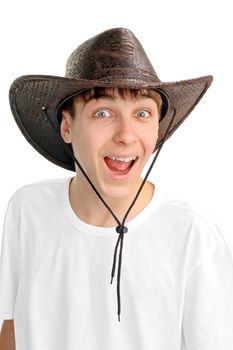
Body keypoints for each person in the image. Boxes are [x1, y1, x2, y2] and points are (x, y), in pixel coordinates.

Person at [0, 27, 233, 350]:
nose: (126, 135)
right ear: (67, 126)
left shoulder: (192, 233)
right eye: (103, 113)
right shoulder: (27, 209)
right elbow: (11, 326)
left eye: (142, 113)